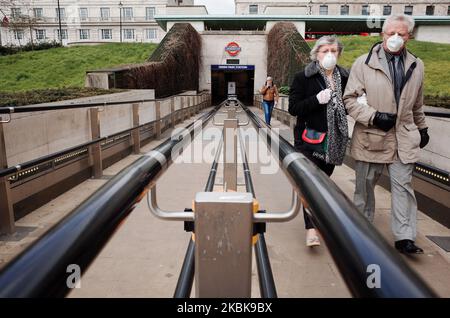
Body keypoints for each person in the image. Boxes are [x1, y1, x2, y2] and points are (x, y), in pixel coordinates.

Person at [343, 14, 430, 254]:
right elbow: (349, 100)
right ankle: (362, 229)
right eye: (390, 33)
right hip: (372, 136)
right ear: (382, 34)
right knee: (365, 186)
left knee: (403, 187)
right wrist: (374, 116)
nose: (395, 38)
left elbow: (417, 104)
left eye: (401, 34)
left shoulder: (417, 65)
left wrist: (422, 128)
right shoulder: (364, 63)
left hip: (404, 137)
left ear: (409, 37)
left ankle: (405, 237)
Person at [289, 36, 349, 247]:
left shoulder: (345, 76)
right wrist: (317, 100)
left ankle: (316, 218)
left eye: (334, 50)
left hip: (335, 140)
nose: (330, 55)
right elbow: (294, 108)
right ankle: (311, 228)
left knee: (323, 182)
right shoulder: (303, 77)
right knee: (311, 183)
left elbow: (349, 103)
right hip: (309, 138)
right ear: (316, 54)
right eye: (325, 50)